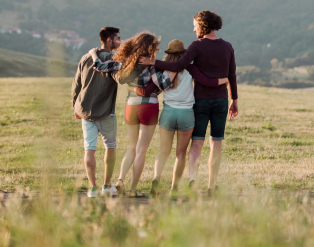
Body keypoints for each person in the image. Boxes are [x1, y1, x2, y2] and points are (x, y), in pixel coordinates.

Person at [139, 10, 238, 197]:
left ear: (203, 25)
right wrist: (234, 100)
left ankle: (193, 182)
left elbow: (177, 66)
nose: (193, 29)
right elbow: (232, 75)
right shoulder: (228, 47)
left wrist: (153, 62)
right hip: (221, 101)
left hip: (201, 101)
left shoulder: (197, 46)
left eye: (195, 25)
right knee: (217, 143)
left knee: (197, 144)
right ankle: (211, 187)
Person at [71, 26, 122, 198]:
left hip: (85, 111)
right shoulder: (114, 59)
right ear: (109, 40)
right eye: (118, 39)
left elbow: (76, 84)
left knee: (89, 149)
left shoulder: (85, 57)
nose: (120, 42)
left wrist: (75, 106)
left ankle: (92, 188)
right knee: (111, 146)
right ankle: (107, 185)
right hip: (107, 111)